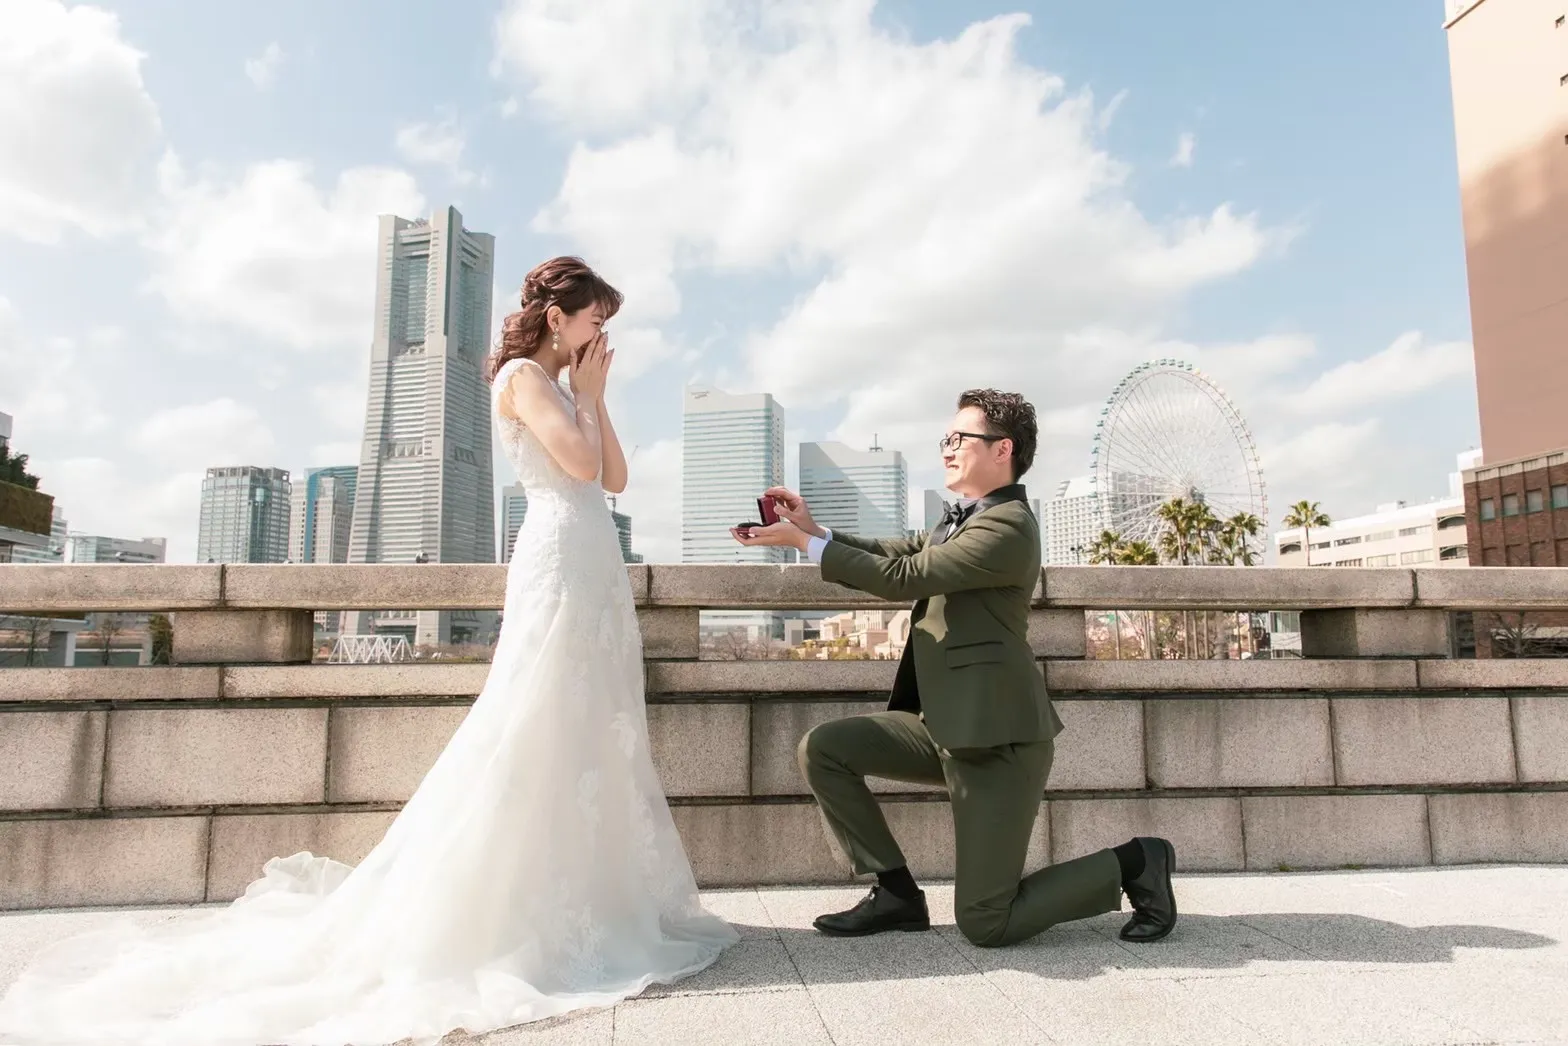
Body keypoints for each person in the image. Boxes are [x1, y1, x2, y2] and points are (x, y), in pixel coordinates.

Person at [0, 257, 737, 1046]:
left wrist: (596, 398)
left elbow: (613, 475)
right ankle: (507, 910)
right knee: (536, 718)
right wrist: (585, 398)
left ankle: (592, 898)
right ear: (559, 318)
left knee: (592, 725)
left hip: (593, 561)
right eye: (595, 318)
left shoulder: (566, 387)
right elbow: (580, 467)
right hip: (557, 555)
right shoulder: (524, 376)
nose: (602, 333)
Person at [732, 388, 1177, 948]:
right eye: (946, 438)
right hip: (944, 726)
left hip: (997, 744)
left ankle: (1137, 861)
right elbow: (892, 553)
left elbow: (904, 578)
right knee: (824, 749)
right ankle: (895, 894)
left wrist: (804, 544)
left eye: (958, 438)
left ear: (1002, 449)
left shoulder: (1007, 527)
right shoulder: (964, 522)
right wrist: (813, 531)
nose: (946, 448)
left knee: (988, 922)